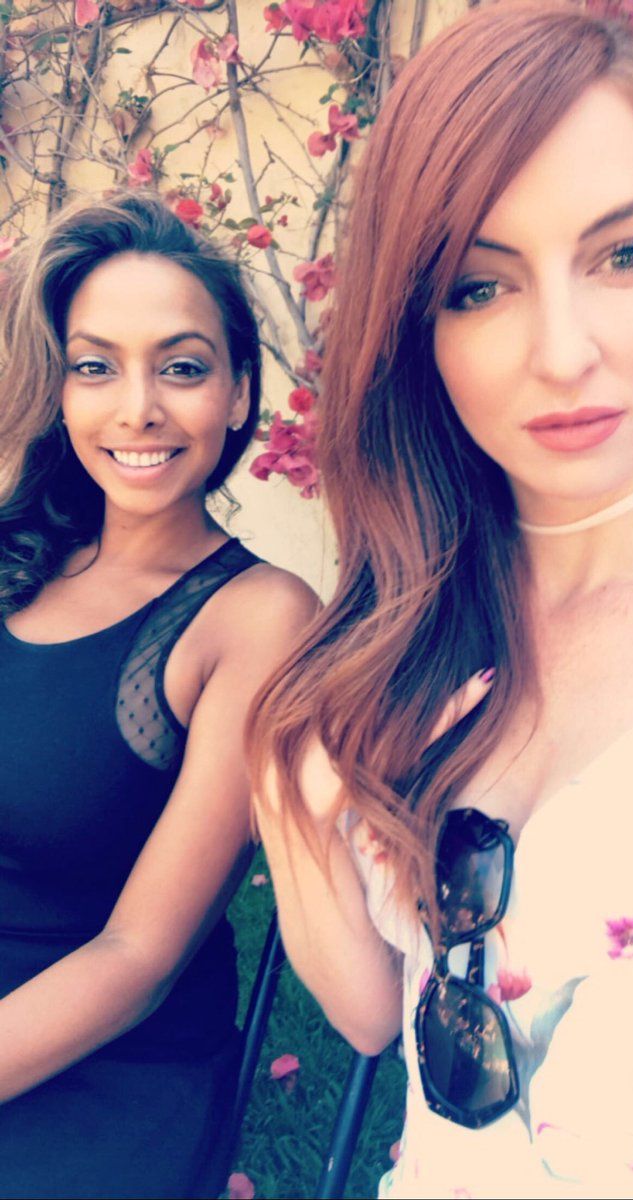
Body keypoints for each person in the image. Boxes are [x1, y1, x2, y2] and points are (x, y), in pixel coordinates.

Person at [248, 2, 633, 1196]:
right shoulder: (423, 640)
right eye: (480, 287)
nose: (563, 351)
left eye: (628, 255)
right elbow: (372, 1012)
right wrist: (285, 774)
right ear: (414, 329)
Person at [0, 192, 316, 1200]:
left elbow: (138, 956)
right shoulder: (20, 555)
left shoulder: (255, 617)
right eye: (95, 367)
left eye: (181, 367)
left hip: (99, 1065)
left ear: (237, 390)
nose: (137, 408)